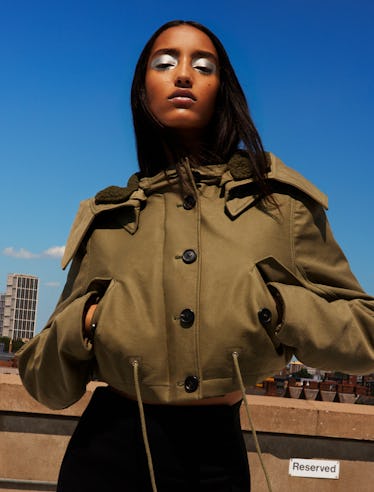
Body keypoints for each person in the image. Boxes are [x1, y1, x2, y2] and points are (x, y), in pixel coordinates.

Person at [17, 20, 374, 492]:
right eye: (164, 63)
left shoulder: (280, 205)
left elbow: (365, 332)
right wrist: (88, 320)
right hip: (107, 450)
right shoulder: (107, 219)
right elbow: (45, 383)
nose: (182, 74)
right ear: (142, 89)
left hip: (215, 456)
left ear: (221, 89)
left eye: (202, 66)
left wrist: (280, 310)